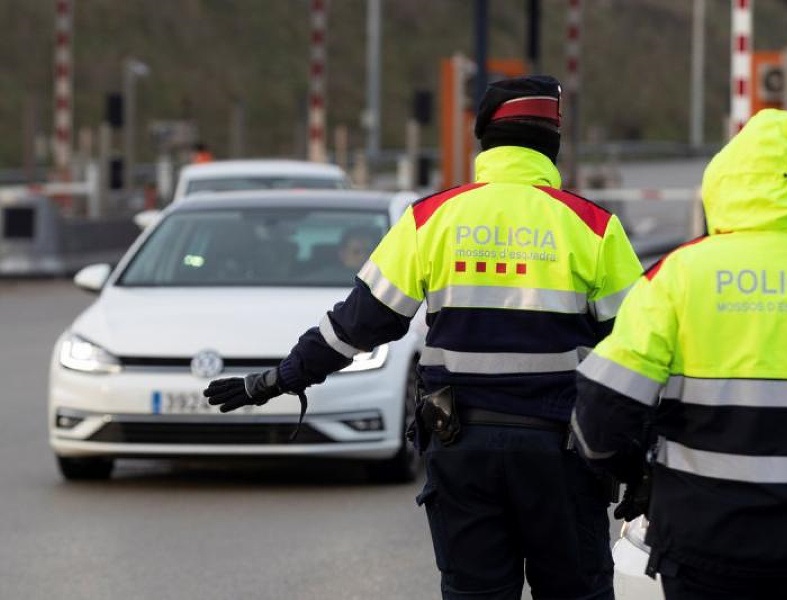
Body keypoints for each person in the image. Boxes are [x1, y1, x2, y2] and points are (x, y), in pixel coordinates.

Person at [203, 74, 643, 599]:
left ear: (484, 141)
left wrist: (278, 379)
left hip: (463, 449)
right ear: (553, 145)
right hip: (563, 456)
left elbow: (355, 325)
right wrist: (644, 464)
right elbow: (637, 357)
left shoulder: (430, 219)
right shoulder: (593, 227)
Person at [571, 108, 787, 600]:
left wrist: (638, 473)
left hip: (704, 547)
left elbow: (600, 421)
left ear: (725, 178)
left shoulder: (678, 276)